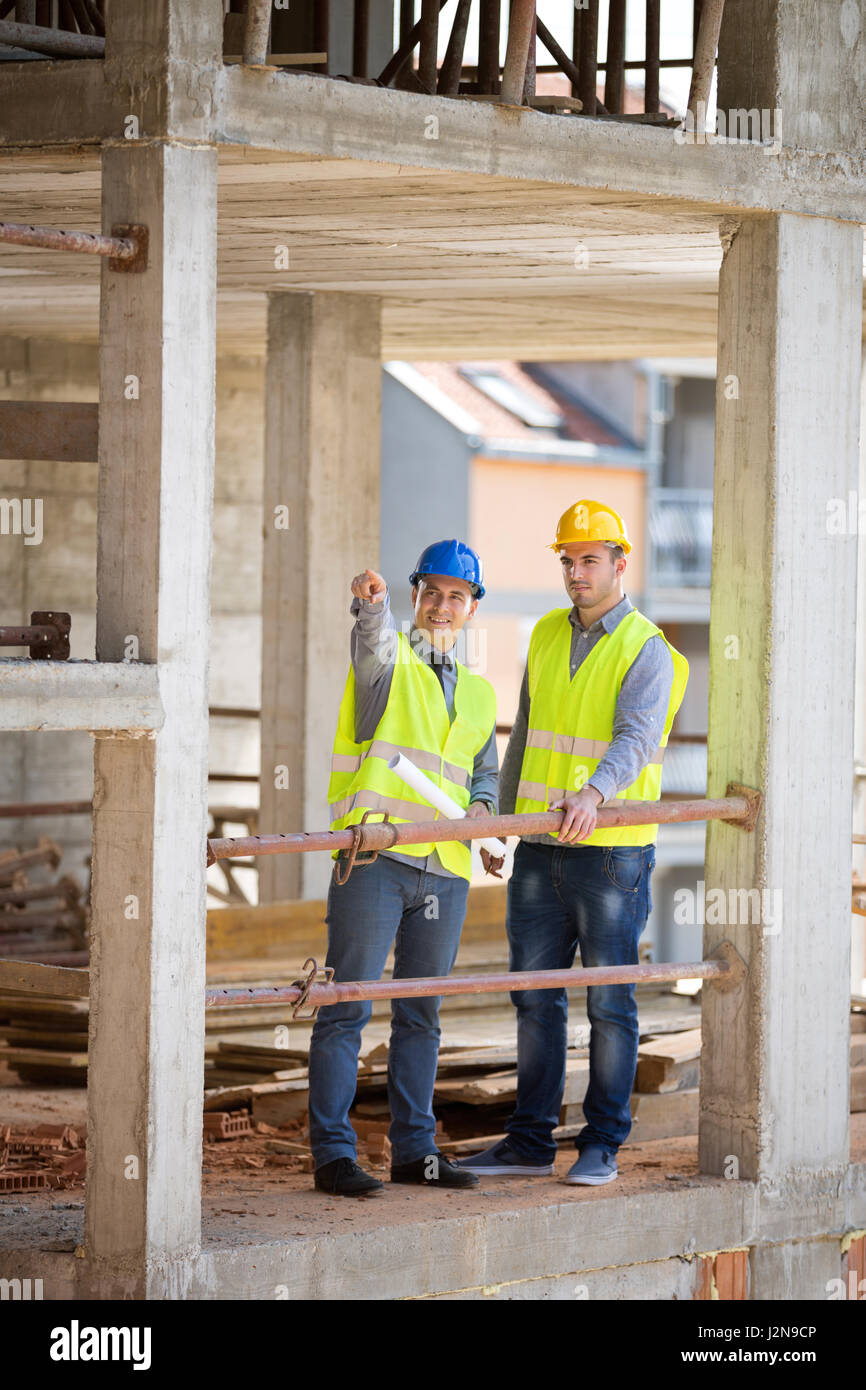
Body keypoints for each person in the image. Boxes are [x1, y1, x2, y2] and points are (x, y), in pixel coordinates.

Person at [457, 500, 688, 1187]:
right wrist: (499, 817)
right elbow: (524, 730)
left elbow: (636, 738)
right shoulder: (546, 635)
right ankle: (529, 1142)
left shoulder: (650, 649)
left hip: (612, 850)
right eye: (568, 560)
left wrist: (594, 794)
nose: (577, 572)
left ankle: (603, 1143)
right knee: (534, 994)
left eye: (590, 560)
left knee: (610, 1001)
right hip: (540, 845)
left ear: (621, 564)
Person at [309, 539, 502, 1197]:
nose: (443, 606)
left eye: (458, 596)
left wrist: (483, 810)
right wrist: (373, 607)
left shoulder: (477, 693)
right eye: (433, 593)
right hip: (374, 859)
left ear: (472, 608)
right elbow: (371, 645)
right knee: (346, 1006)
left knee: (421, 1015)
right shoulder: (389, 666)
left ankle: (415, 1151)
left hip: (444, 869)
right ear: (417, 597)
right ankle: (333, 1155)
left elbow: (484, 771)